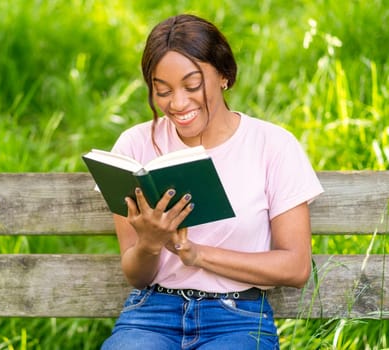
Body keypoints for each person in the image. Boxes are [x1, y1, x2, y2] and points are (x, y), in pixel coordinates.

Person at [100, 13, 323, 350]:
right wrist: (149, 242)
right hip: (151, 315)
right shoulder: (135, 146)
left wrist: (196, 254)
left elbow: (295, 266)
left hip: (237, 316)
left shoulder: (272, 146)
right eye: (162, 91)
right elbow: (137, 275)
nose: (177, 103)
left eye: (192, 86)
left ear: (224, 76)